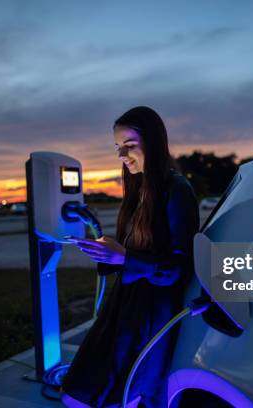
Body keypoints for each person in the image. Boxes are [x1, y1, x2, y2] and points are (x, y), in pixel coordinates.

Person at [60, 106, 199, 408]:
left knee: (129, 391)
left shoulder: (176, 191)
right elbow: (132, 250)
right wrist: (107, 252)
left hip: (153, 311)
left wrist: (125, 259)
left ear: (153, 142)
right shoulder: (138, 191)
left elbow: (180, 268)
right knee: (83, 391)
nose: (121, 154)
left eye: (130, 145)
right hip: (125, 302)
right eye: (117, 147)